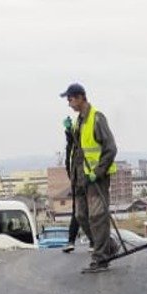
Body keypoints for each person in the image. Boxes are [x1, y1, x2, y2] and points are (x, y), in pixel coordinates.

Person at [60, 83, 120, 272]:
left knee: (97, 216)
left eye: (70, 99)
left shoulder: (96, 118)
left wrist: (99, 171)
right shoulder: (79, 121)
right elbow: (77, 148)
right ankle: (108, 246)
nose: (69, 103)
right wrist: (70, 133)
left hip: (96, 178)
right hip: (80, 178)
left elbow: (111, 148)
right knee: (80, 215)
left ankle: (101, 258)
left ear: (80, 97)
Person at [61, 116, 88, 253]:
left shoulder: (82, 140)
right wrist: (69, 131)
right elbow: (69, 159)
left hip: (86, 178)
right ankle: (71, 241)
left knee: (85, 212)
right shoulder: (71, 145)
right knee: (77, 212)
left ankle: (95, 242)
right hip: (76, 179)